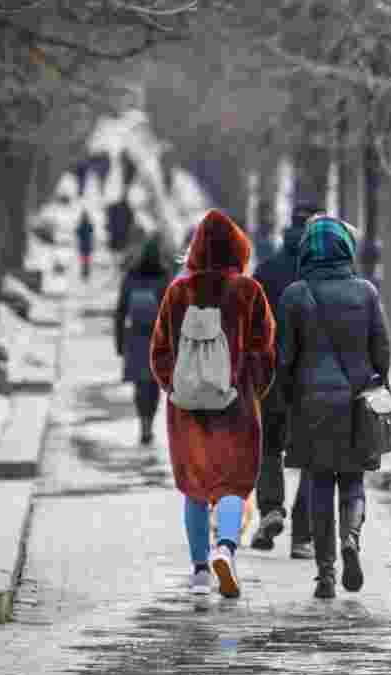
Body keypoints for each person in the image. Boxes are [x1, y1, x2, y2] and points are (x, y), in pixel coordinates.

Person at [150, 209, 276, 597]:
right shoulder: (248, 291)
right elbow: (264, 350)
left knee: (195, 486)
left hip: (187, 410)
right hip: (235, 406)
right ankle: (226, 547)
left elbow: (159, 351)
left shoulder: (178, 292)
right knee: (233, 484)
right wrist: (253, 390)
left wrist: (175, 387)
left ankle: (201, 570)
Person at [276, 215, 391, 599]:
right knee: (354, 479)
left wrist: (288, 397)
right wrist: (381, 388)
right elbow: (382, 350)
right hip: (358, 403)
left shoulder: (295, 295)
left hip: (312, 403)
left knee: (320, 483)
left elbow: (285, 358)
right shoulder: (366, 292)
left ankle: (325, 573)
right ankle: (352, 539)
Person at [248, 202, 324, 558]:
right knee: (311, 454)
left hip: (271, 372)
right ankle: (303, 537)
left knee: (270, 448)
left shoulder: (266, 270)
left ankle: (270, 509)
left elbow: (250, 327)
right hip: (312, 376)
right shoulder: (326, 273)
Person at [115, 235, 171, 445]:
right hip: (158, 338)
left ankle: (143, 424)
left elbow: (120, 312)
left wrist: (119, 342)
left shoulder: (130, 277)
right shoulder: (164, 278)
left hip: (135, 338)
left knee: (140, 385)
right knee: (153, 385)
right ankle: (149, 423)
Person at [75, 210, 95, 280]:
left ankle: (84, 273)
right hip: (87, 244)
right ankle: (86, 273)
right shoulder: (89, 224)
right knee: (86, 261)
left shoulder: (80, 224)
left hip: (83, 245)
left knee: (84, 261)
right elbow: (91, 232)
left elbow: (77, 233)